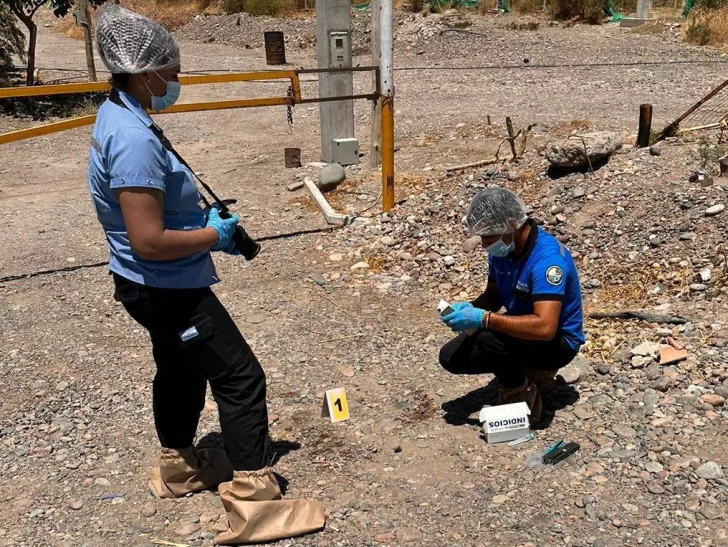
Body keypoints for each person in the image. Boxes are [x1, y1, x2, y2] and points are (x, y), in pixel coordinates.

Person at [88, 5, 324, 544]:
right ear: (143, 70)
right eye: (170, 69)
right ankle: (254, 502)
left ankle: (178, 469)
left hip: (147, 281)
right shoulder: (133, 139)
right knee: (240, 377)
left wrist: (202, 222)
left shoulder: (120, 114)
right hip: (165, 286)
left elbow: (150, 219)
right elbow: (149, 239)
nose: (176, 79)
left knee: (181, 369)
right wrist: (213, 237)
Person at [439, 188, 585, 423]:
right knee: (451, 357)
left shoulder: (547, 261)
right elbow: (493, 297)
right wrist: (468, 308)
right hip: (524, 333)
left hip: (557, 342)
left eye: (488, 236)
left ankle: (522, 394)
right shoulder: (502, 249)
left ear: (511, 224)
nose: (484, 243)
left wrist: (483, 319)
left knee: (488, 336)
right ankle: (524, 370)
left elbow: (546, 327)